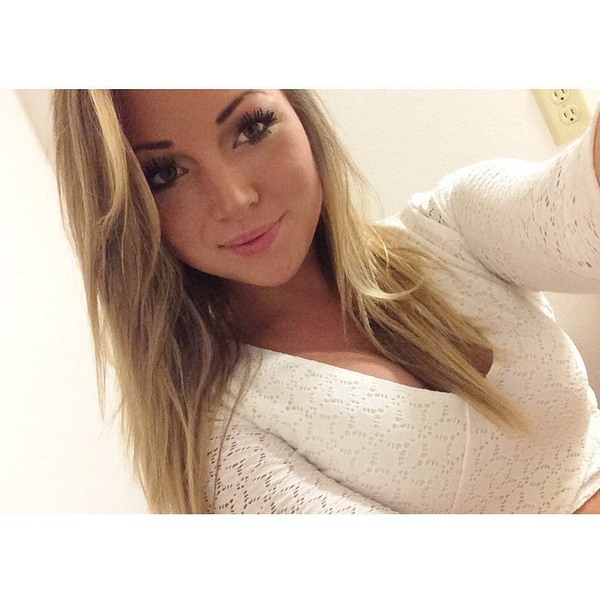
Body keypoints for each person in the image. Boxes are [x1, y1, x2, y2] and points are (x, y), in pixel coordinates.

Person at [52, 89, 600, 514]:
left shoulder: (447, 227)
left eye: (251, 128)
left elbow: (577, 209)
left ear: (300, 113)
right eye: (165, 174)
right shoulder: (227, 445)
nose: (235, 199)